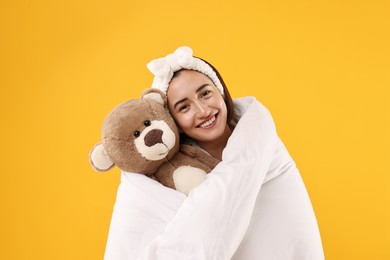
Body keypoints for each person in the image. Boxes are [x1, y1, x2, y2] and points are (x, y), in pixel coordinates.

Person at [104, 46, 325, 259]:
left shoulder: (260, 140)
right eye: (184, 107)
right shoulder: (166, 175)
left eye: (205, 93)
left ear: (220, 91)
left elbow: (291, 230)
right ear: (173, 121)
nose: (202, 111)